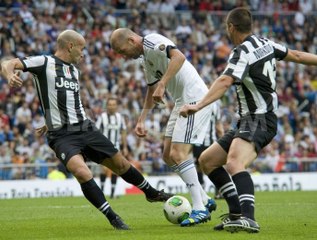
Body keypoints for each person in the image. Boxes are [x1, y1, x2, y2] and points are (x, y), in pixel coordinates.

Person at [1, 29, 173, 231]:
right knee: (81, 171)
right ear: (70, 46)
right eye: (82, 49)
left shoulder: (74, 71)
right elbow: (8, 63)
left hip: (85, 127)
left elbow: (66, 102)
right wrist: (9, 74)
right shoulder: (44, 62)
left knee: (121, 164)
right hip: (62, 136)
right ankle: (113, 217)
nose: (83, 54)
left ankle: (151, 193)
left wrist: (50, 119)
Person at [180, 7, 317, 233]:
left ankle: (248, 218)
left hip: (260, 118)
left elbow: (225, 81)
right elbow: (298, 55)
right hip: (249, 120)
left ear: (231, 27)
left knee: (234, 162)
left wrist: (198, 105)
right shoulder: (266, 43)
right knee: (207, 160)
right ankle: (235, 213)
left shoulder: (242, 52)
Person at [110, 28, 217, 227]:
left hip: (195, 98)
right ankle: (204, 198)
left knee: (178, 154)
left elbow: (179, 57)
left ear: (132, 40)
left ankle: (199, 208)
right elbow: (152, 89)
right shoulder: (145, 59)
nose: (123, 56)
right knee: (168, 155)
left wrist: (163, 84)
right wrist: (141, 119)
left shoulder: (152, 41)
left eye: (122, 50)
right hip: (180, 101)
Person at [95, 97, 128, 199]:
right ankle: (101, 192)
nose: (112, 106)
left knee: (116, 170)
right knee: (104, 169)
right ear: (107, 106)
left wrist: (125, 147)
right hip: (103, 147)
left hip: (116, 147)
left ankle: (113, 193)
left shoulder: (119, 117)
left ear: (116, 106)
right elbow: (96, 131)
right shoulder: (102, 117)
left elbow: (123, 132)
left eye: (114, 104)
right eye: (110, 104)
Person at [192, 100, 224, 199]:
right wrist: (223, 139)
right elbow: (218, 126)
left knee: (198, 166)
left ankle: (201, 190)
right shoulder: (215, 105)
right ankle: (219, 190)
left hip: (197, 141)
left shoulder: (194, 103)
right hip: (211, 141)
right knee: (215, 166)